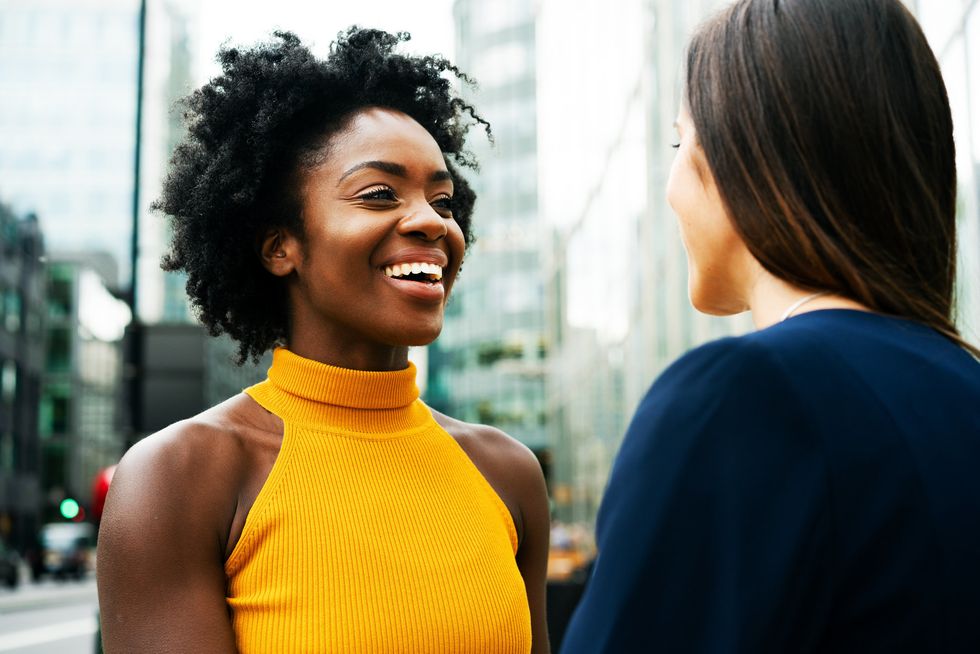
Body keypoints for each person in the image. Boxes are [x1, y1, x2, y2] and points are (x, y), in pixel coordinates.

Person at [97, 29, 550, 654]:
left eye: (443, 201)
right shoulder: (179, 476)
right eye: (379, 194)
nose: (431, 222)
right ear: (281, 246)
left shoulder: (507, 473)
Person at [561, 0, 980, 652]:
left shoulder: (743, 397)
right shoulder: (964, 385)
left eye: (681, 141)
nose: (671, 184)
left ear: (746, 155)